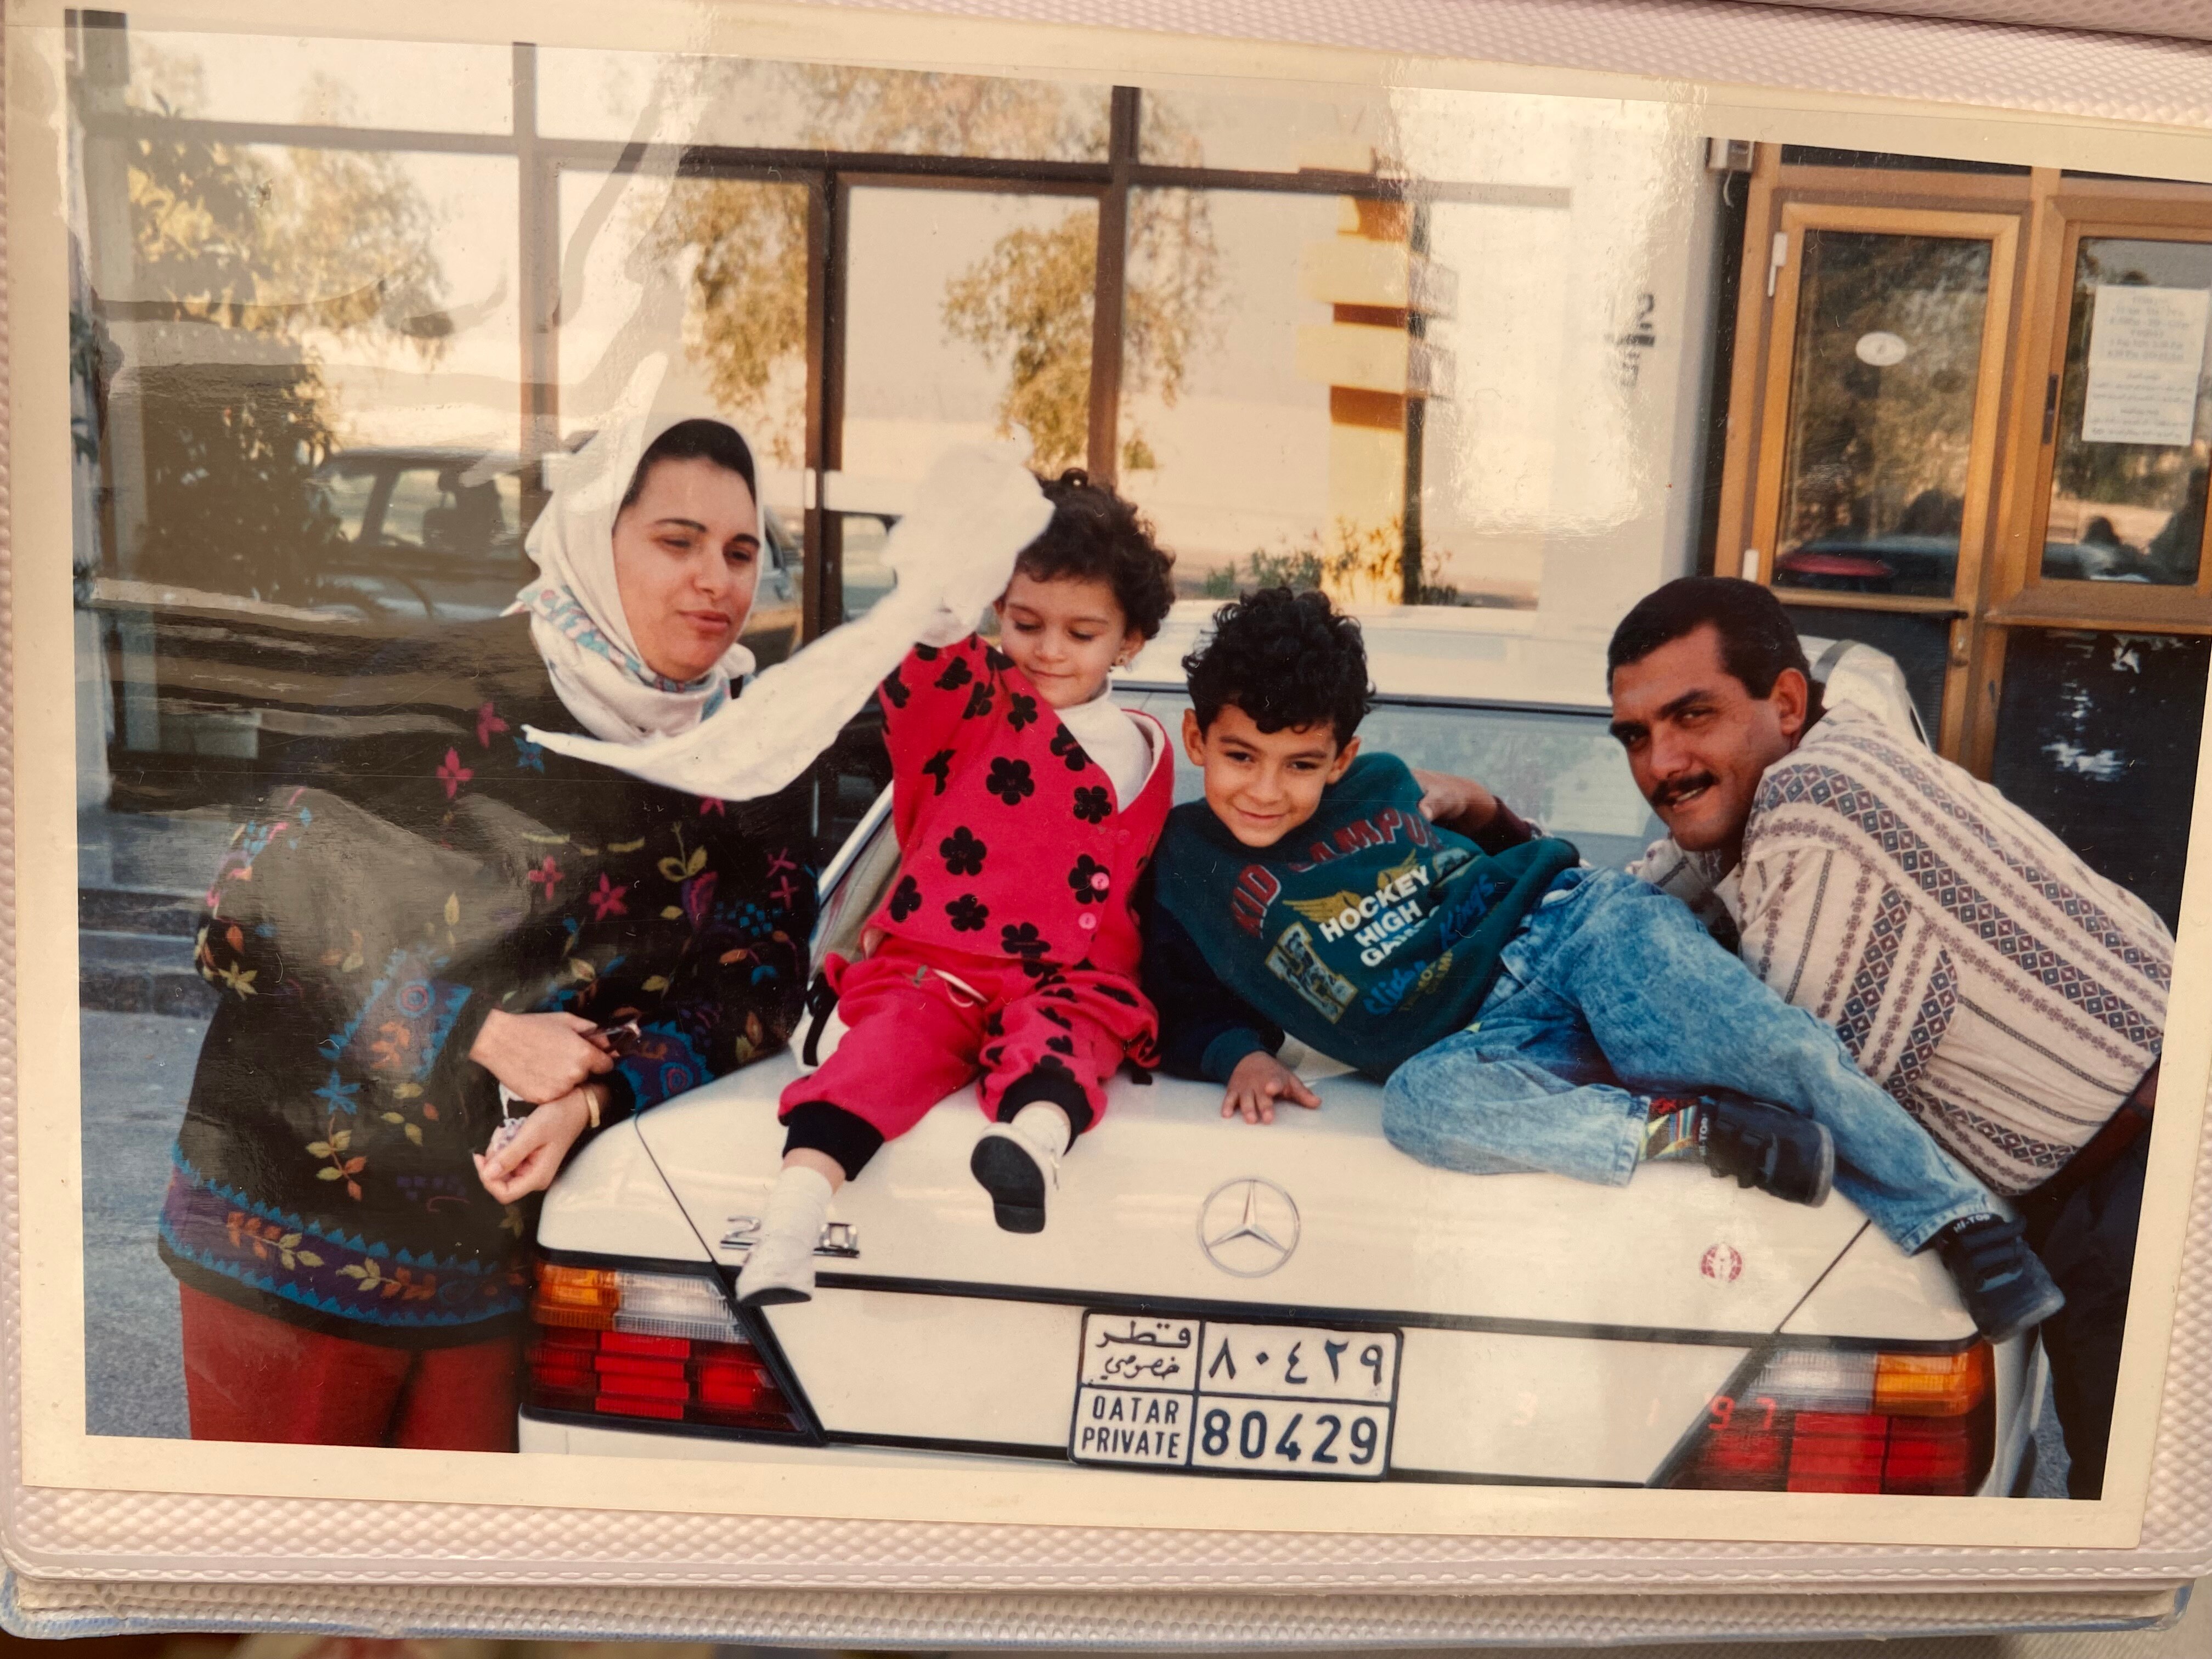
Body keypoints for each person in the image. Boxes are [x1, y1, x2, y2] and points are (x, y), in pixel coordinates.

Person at [1140, 586, 2064, 1345]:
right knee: (1420, 1110)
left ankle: (1957, 1219)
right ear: (1196, 743)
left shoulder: (1381, 785)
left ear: (1340, 757)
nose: (1266, 788)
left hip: (1570, 929)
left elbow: (1511, 858)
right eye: (1240, 757)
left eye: (1300, 764)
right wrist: (1239, 1055)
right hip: (1481, 1040)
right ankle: (1698, 1131)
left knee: (1772, 1043)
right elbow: (1181, 995)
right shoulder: (1184, 866)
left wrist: (1491, 814)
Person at [161, 415, 819, 1451]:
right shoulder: (442, 685)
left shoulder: (742, 755)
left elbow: (761, 985)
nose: (717, 581)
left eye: (742, 552)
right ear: (596, 539)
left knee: (445, 1606)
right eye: (677, 541)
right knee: (289, 1600)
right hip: (287, 1249)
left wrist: (605, 1094)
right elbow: (244, 920)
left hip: (496, 1269)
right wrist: (482, 1031)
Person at [1607, 576, 2171, 1498]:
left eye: (1691, 717)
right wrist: (1498, 835)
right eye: (1636, 735)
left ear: (1786, 703)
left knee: (2158, 1545)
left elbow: (1784, 1079)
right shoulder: (1762, 794)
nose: (1662, 761)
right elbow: (1627, 903)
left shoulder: (1816, 799)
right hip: (2117, 1177)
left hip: (2152, 1181)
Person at [735, 473, 1179, 1306]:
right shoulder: (975, 702)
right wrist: (944, 593)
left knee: (1070, 1043)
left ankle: (1032, 1154)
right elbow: (928, 674)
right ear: (994, 611)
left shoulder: (1151, 746)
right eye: (1024, 623)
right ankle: (788, 1231)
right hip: (936, 968)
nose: (1049, 649)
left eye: (1082, 632)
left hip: (1067, 979)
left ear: (1131, 639)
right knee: (878, 1058)